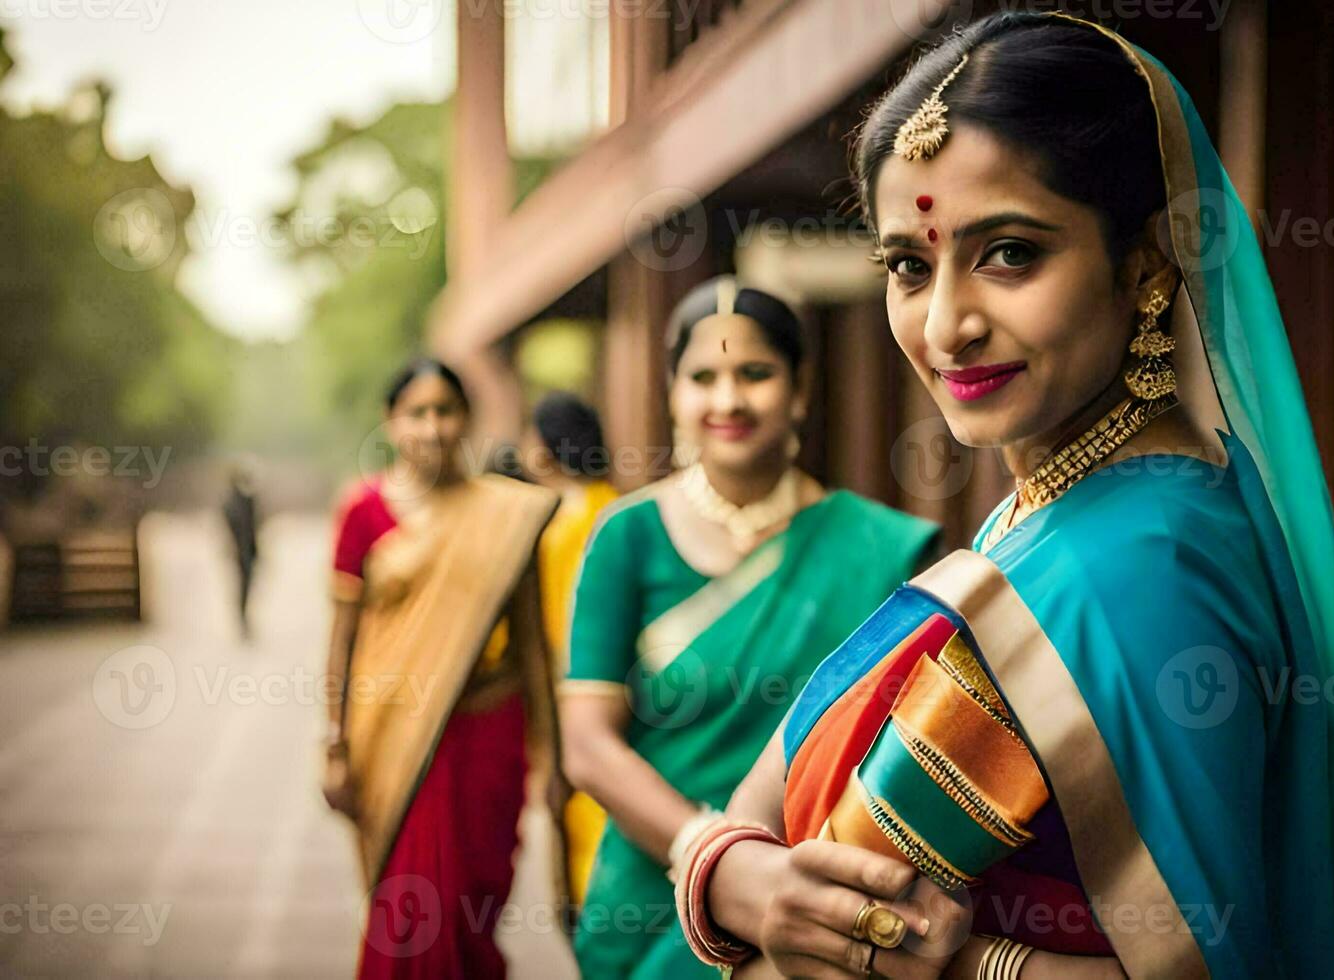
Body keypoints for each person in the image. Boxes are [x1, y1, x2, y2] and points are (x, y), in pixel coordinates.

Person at [680, 13, 1334, 980]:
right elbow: (759, 821)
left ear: (1142, 266)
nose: (946, 325)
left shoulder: (1146, 560)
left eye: (1009, 252)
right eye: (908, 266)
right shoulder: (1054, 508)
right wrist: (735, 881)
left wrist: (965, 963)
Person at [558, 277, 941, 979]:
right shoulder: (626, 537)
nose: (728, 399)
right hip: (652, 901)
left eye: (755, 374)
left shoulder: (881, 549)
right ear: (673, 394)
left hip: (819, 900)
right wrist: (712, 854)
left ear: (799, 391)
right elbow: (585, 744)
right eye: (703, 377)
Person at [321, 357, 562, 979]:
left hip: (489, 732)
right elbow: (342, 642)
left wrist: (552, 758)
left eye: (446, 411)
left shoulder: (506, 516)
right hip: (396, 736)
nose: (432, 428)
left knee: (473, 911)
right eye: (416, 414)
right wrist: (334, 746)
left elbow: (532, 645)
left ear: (467, 419)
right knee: (410, 915)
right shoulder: (363, 510)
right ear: (390, 422)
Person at [522, 391, 621, 908]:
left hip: (579, 707)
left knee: (588, 848)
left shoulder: (558, 529)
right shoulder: (624, 510)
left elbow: (554, 639)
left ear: (545, 448)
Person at [222, 461, 258, 641]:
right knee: (242, 587)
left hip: (247, 552)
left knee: (247, 587)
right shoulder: (234, 502)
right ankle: (242, 620)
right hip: (240, 552)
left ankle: (244, 619)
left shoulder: (247, 500)